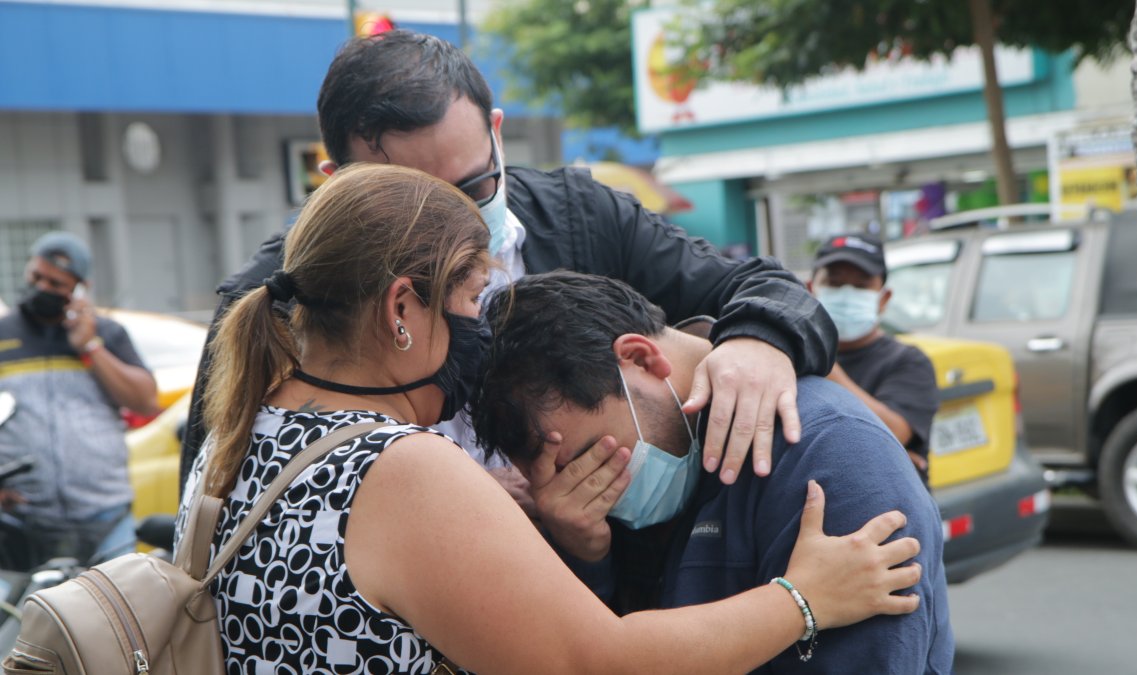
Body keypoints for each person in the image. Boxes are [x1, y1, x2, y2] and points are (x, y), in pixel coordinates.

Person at [179, 163, 923, 674]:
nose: (478, 333)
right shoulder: (399, 468)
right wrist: (802, 599)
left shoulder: (239, 432)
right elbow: (596, 661)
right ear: (402, 310)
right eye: (470, 302)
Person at [179, 29, 839, 504]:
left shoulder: (582, 215)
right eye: (419, 207)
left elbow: (760, 285)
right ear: (340, 185)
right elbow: (217, 498)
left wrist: (759, 340)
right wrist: (457, 506)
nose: (461, 230)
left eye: (475, 187)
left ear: (497, 130)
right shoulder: (274, 298)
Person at [469, 271, 954, 674]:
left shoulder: (830, 451)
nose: (574, 491)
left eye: (586, 458)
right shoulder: (624, 488)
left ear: (640, 358)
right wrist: (587, 559)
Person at [0, 232, 158, 567]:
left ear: (78, 289)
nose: (42, 287)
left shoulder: (107, 334)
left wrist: (89, 346)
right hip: (23, 521)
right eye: (36, 277)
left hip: (106, 514)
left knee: (114, 612)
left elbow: (145, 400)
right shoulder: (3, 334)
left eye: (55, 284)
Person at [807, 233, 939, 485]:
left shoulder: (908, 362)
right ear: (811, 290)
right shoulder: (788, 357)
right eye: (834, 283)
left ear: (884, 298)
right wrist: (882, 455)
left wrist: (822, 365)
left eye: (860, 286)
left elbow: (891, 432)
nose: (846, 294)